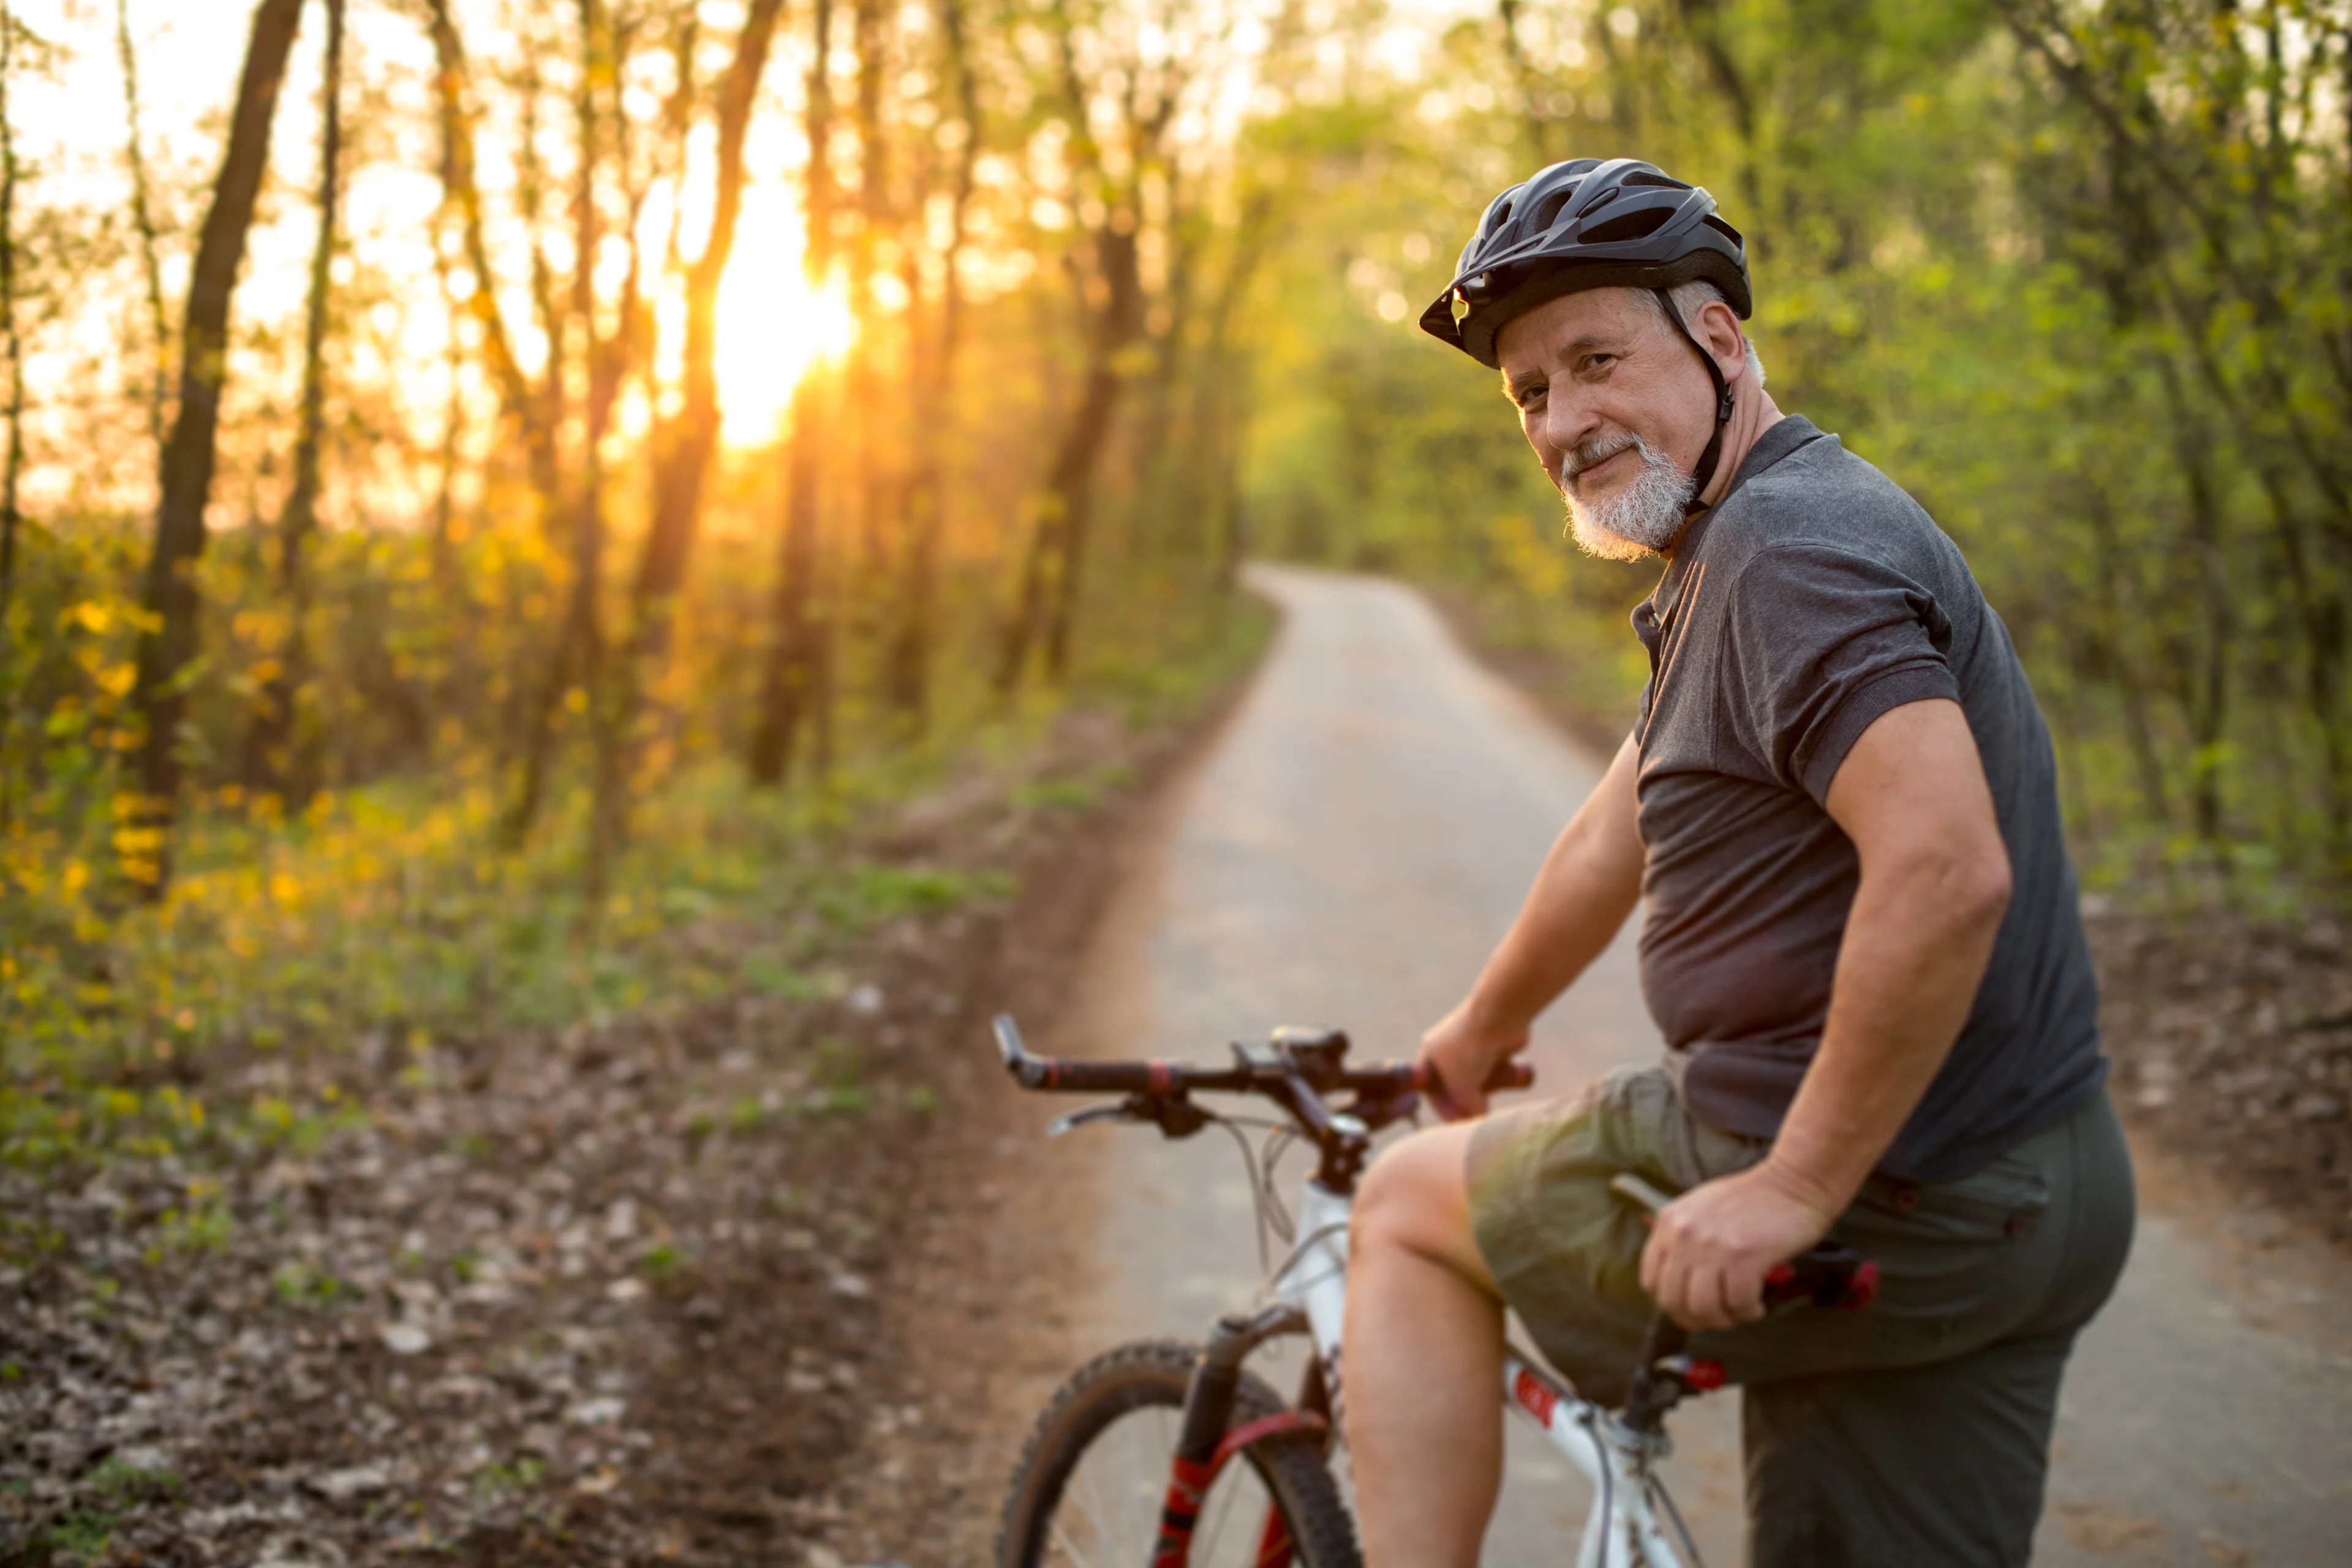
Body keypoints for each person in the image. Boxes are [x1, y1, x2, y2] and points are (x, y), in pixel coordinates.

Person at [1341, 157, 2136, 1567]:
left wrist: (1795, 1185)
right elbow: (1618, 824)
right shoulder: (1757, 534)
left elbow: (1947, 866)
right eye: (1530, 392)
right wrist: (1484, 1025)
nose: (1564, 420)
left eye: (1595, 360)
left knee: (1406, 1207)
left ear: (1717, 339)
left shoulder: (1785, 557)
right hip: (2033, 1184)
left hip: (1889, 1183)